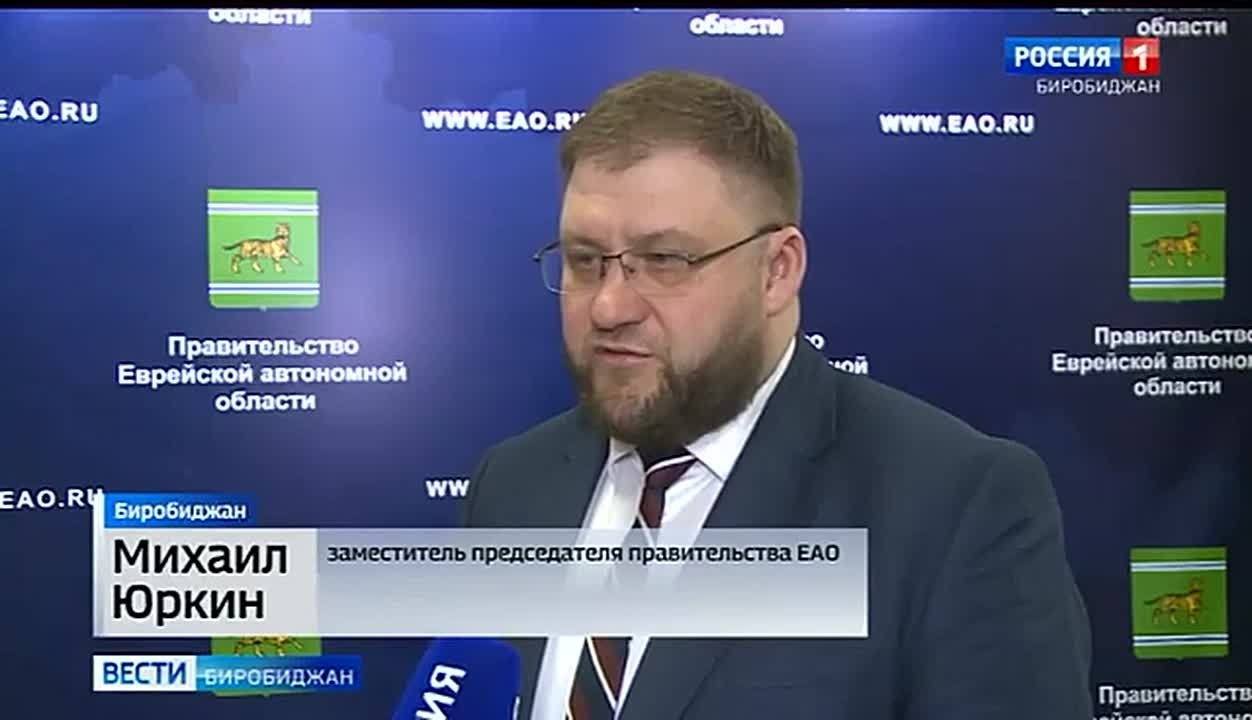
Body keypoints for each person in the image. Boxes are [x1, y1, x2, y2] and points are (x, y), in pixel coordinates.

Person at [459, 69, 1093, 720]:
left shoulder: (956, 509)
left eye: (665, 260)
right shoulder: (511, 486)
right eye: (585, 260)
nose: (609, 306)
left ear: (777, 271)